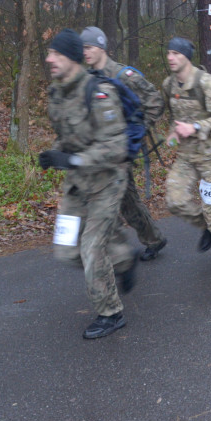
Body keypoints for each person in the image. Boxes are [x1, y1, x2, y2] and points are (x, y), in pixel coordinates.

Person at [39, 29, 137, 340]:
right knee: (66, 252)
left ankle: (111, 313)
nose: (49, 59)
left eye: (55, 54)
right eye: (49, 53)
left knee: (91, 250)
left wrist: (77, 160)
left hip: (107, 184)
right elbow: (68, 136)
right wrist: (57, 154)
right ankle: (123, 258)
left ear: (71, 58)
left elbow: (116, 147)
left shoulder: (99, 93)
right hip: (77, 186)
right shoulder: (56, 93)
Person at [81, 27, 167, 262]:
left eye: (88, 47)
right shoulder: (87, 77)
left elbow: (155, 102)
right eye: (82, 48)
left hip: (120, 150)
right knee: (124, 200)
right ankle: (151, 239)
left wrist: (136, 133)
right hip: (99, 150)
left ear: (101, 47)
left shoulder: (123, 76)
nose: (84, 52)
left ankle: (116, 252)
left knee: (122, 201)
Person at [161, 37, 211, 272]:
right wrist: (173, 133)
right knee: (175, 200)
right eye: (169, 53)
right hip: (187, 153)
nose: (171, 57)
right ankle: (207, 227)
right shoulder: (169, 84)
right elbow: (175, 116)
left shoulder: (206, 83)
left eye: (176, 53)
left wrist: (195, 127)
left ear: (186, 57)